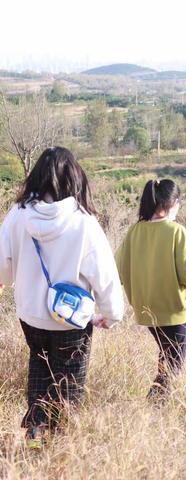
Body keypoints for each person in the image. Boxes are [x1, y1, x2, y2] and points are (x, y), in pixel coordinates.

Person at [0, 147, 124, 447]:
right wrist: (112, 313)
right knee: (68, 385)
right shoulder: (84, 222)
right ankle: (60, 445)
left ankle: (35, 435)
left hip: (30, 317)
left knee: (40, 371)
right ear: (74, 178)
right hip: (72, 322)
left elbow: (3, 270)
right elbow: (105, 276)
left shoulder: (17, 215)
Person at [115, 179, 186, 401]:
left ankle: (155, 407)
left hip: (146, 311)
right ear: (174, 202)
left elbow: (116, 271)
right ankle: (153, 408)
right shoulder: (176, 231)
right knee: (174, 366)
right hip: (174, 313)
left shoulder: (135, 230)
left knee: (167, 358)